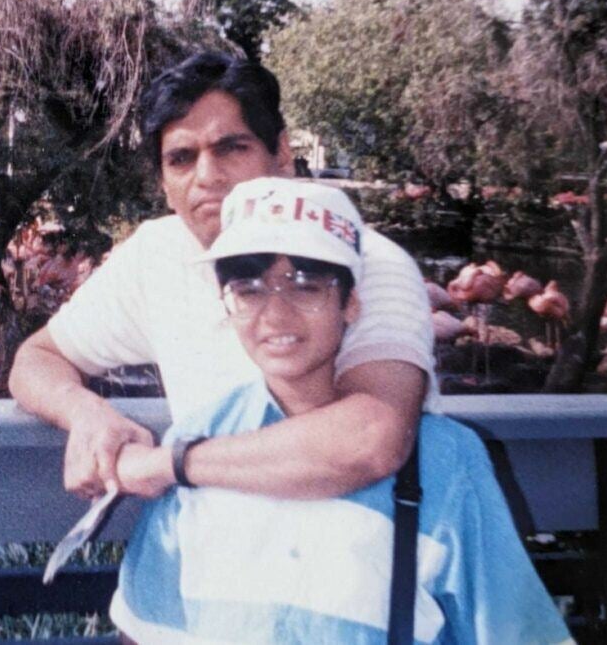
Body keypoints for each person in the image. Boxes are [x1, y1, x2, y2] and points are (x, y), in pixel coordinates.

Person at [110, 177, 571, 644]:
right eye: (249, 289)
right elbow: (146, 630)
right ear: (225, 305)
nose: (275, 314)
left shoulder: (445, 463)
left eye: (306, 286)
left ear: (350, 304)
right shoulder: (194, 442)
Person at [9, 51, 434, 501]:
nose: (207, 176)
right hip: (222, 553)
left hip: (357, 550)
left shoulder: (360, 259)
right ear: (164, 184)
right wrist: (86, 412)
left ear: (282, 153)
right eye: (181, 159)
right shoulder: (158, 255)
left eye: (232, 148)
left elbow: (371, 439)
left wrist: (171, 463)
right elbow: (36, 358)